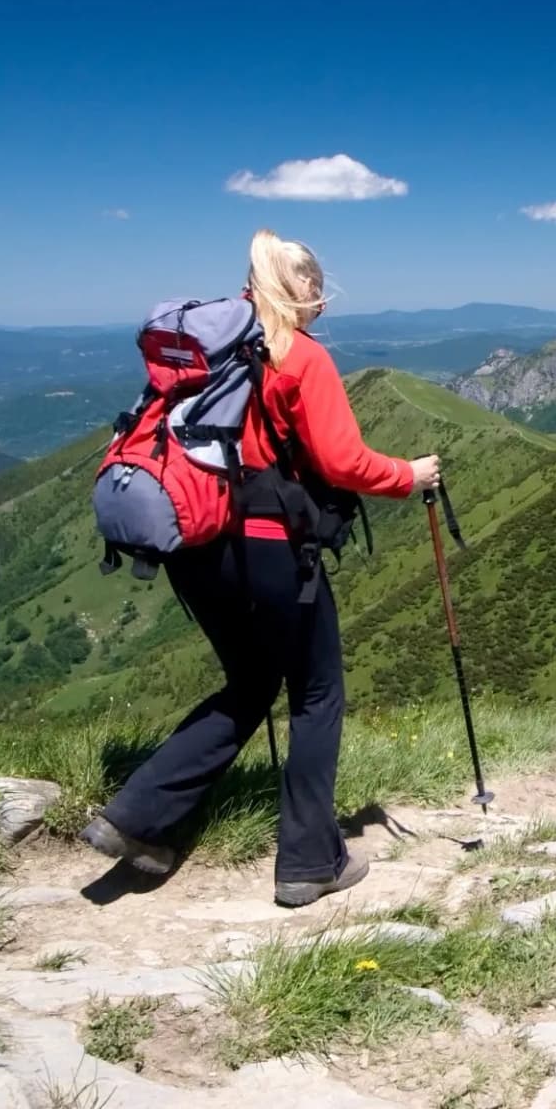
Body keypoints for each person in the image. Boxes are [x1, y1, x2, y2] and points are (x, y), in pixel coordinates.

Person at [81, 229, 442, 907]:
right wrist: (409, 474)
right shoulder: (300, 359)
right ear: (296, 287)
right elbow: (343, 463)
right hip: (271, 548)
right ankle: (309, 861)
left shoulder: (207, 356)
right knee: (315, 692)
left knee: (250, 681)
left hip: (194, 545)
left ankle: (134, 819)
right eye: (316, 293)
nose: (320, 307)